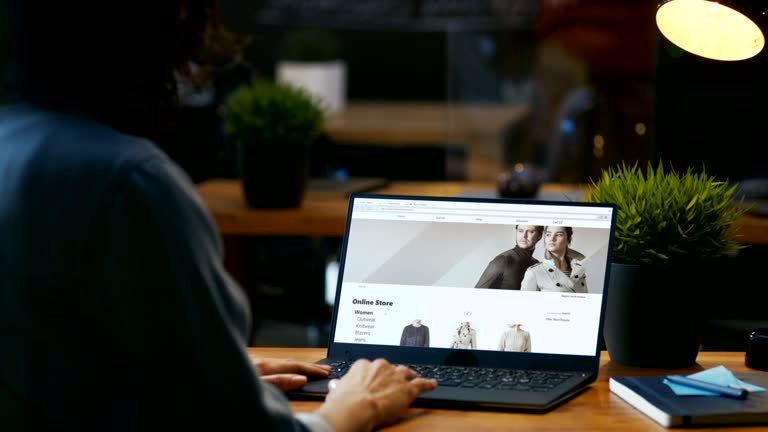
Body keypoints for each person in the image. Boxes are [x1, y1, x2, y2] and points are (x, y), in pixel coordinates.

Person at [0, 1, 436, 430]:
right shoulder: (129, 183)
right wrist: (357, 406)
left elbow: (55, 361)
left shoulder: (14, 144)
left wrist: (207, 377)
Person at [521, 226, 588, 293]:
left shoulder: (578, 271)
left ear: (569, 239)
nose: (552, 239)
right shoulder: (534, 272)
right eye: (548, 235)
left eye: (559, 235)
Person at [474, 225, 544, 289]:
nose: (524, 236)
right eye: (520, 231)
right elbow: (477, 293)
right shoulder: (503, 260)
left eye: (531, 232)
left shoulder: (536, 264)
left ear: (540, 236)